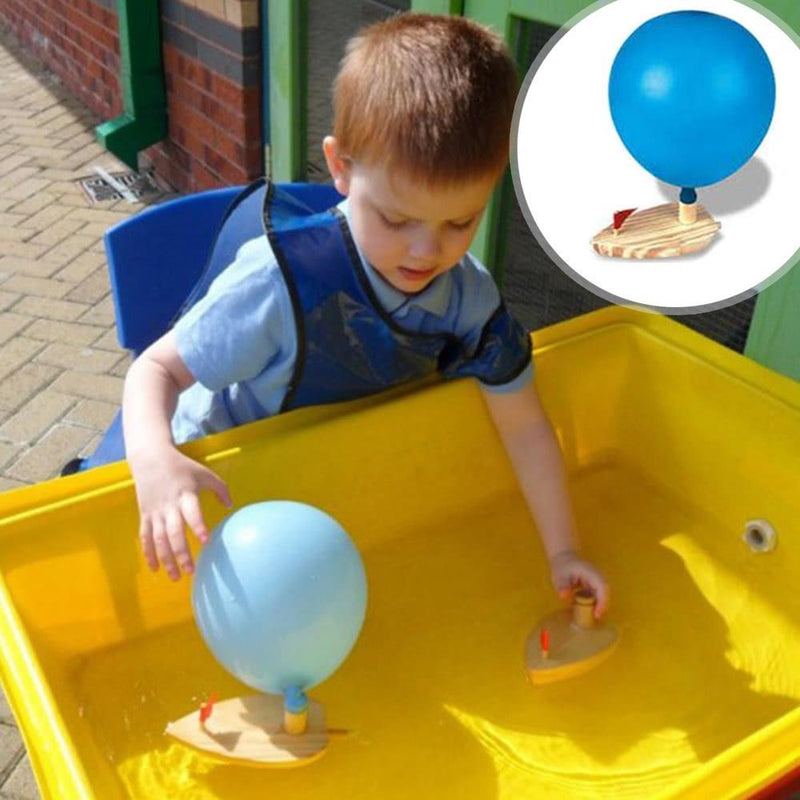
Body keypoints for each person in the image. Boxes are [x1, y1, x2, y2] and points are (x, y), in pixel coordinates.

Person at [120, 12, 609, 613]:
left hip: (342, 487)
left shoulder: (470, 303)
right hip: (223, 489)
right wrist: (154, 462)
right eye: (397, 220)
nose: (429, 252)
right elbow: (156, 371)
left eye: (460, 221)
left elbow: (527, 428)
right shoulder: (279, 281)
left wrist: (562, 551)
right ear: (341, 168)